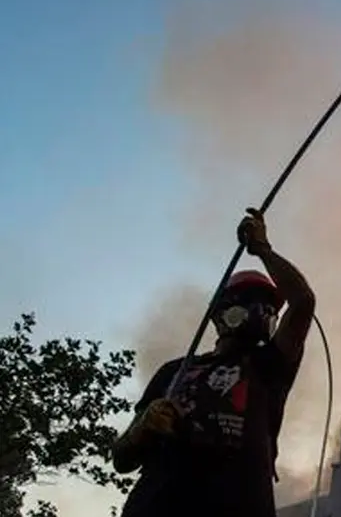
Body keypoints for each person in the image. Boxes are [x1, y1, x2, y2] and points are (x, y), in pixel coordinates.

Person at [112, 208, 316, 517]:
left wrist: (262, 249)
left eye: (269, 306)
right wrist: (143, 427)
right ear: (222, 313)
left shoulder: (269, 364)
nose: (263, 311)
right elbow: (122, 460)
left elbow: (303, 301)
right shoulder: (174, 371)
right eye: (248, 300)